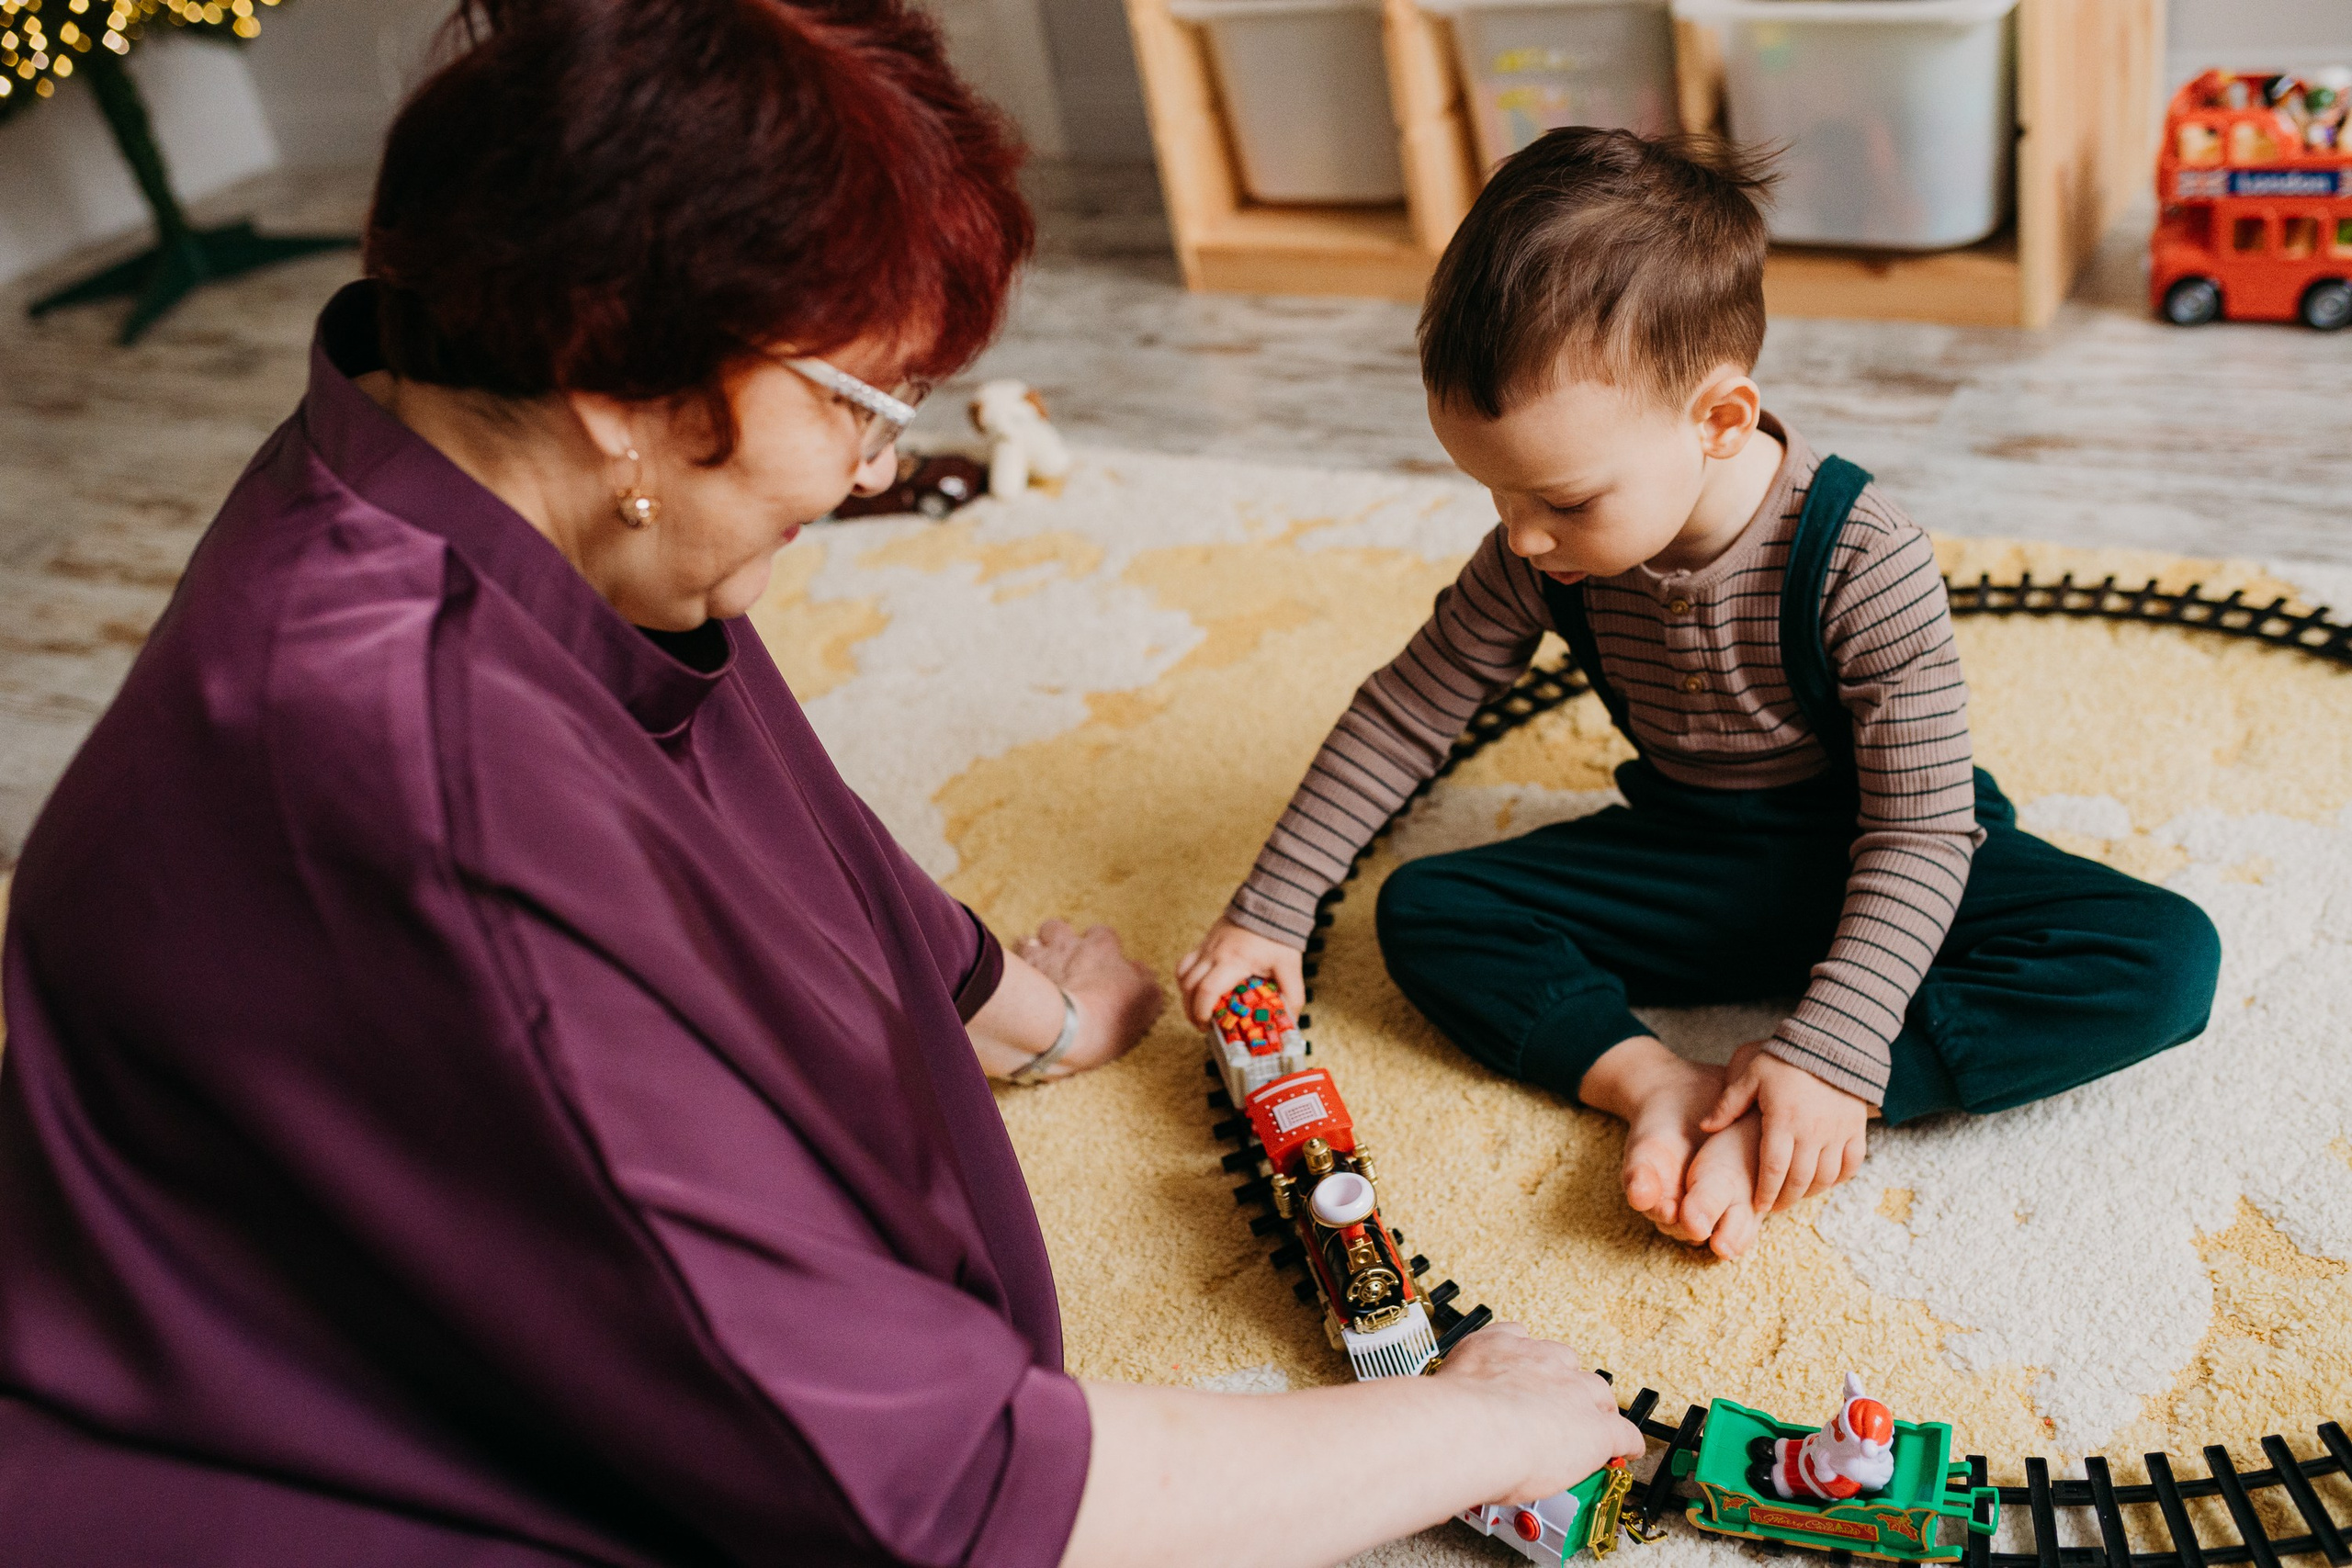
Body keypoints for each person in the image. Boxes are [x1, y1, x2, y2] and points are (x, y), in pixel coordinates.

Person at [0, 4, 1641, 1563]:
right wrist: (1467, 1426)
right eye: (864, 403)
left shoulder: (499, 480)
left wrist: (1026, 1007)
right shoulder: (432, 791)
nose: (877, 469)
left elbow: (755, 805)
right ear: (616, 389)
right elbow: (943, 1502)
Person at [1181, 129, 2222, 1262]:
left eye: (1562, 500)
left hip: (1888, 849)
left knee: (2161, 956)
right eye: (1495, 494)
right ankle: (1664, 1087)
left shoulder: (1864, 556)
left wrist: (1835, 1050)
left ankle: (1815, 1098)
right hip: (1691, 859)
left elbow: (1923, 830)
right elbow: (1407, 710)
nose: (1522, 536)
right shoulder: (1540, 549)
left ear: (1719, 421)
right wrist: (1268, 913)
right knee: (1428, 912)